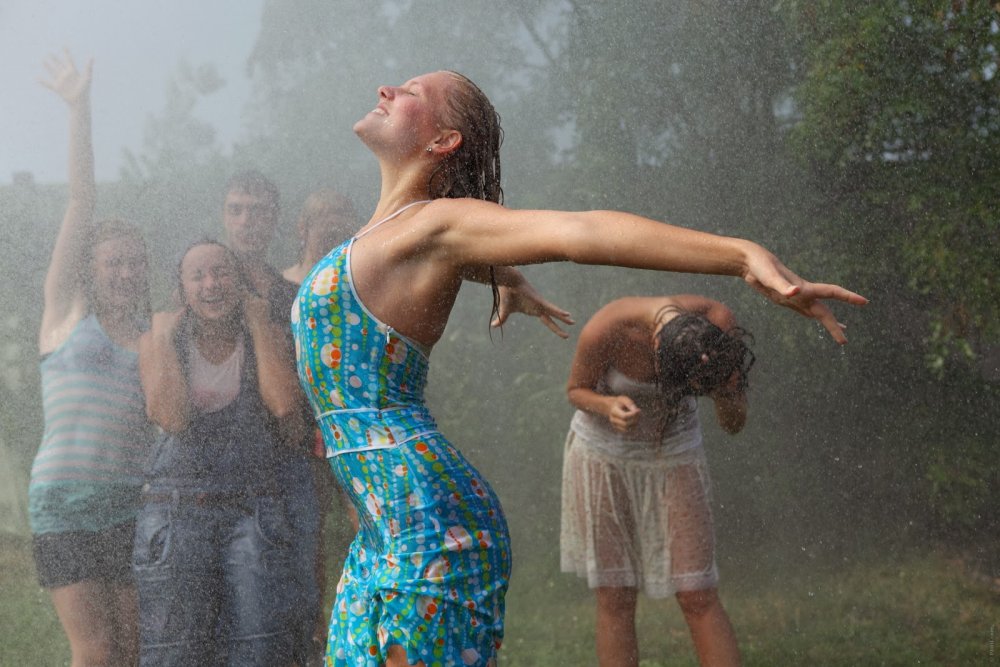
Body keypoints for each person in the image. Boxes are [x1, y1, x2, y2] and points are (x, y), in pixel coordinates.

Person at [291, 70, 866, 667]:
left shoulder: (435, 222)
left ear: (443, 141)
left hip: (430, 524)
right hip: (382, 531)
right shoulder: (388, 236)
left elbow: (581, 229)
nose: (387, 89)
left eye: (411, 91)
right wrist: (503, 275)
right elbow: (426, 269)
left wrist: (740, 255)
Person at [28, 51, 151, 667]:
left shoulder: (153, 335)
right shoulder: (64, 316)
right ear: (92, 272)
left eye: (135, 263)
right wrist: (80, 108)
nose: (125, 273)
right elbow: (82, 201)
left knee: (130, 652)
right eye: (113, 263)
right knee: (97, 653)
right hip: (64, 503)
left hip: (130, 505)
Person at [134, 240, 305, 664]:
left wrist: (261, 324)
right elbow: (172, 418)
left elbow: (284, 404)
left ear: (240, 281)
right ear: (182, 289)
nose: (211, 285)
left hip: (251, 511)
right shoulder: (157, 341)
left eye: (222, 273)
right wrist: (163, 339)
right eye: (198, 276)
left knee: (259, 649)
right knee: (176, 654)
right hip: (175, 514)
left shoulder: (267, 335)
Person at [561, 295, 754, 667]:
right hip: (604, 456)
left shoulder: (717, 323)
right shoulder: (607, 327)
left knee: (696, 592)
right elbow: (575, 390)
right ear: (655, 345)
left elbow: (733, 425)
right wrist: (608, 406)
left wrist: (723, 389)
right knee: (615, 593)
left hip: (675, 454)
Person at [221, 170, 324, 664]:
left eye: (257, 210)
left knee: (300, 604)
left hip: (289, 463)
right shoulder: (207, 285)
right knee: (235, 615)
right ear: (224, 216)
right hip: (223, 470)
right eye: (236, 209)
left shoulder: (291, 295)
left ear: (276, 219)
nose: (246, 221)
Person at [283, 187, 362, 661]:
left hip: (352, 425)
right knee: (308, 534)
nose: (333, 230)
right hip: (298, 429)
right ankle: (315, 632)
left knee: (365, 524)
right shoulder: (283, 283)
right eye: (323, 222)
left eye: (341, 222)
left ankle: (364, 615)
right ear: (302, 229)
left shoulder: (359, 280)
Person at [283, 188, 359, 284]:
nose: (336, 243)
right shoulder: (277, 285)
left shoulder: (358, 285)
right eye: (330, 235)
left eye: (345, 236)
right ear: (303, 228)